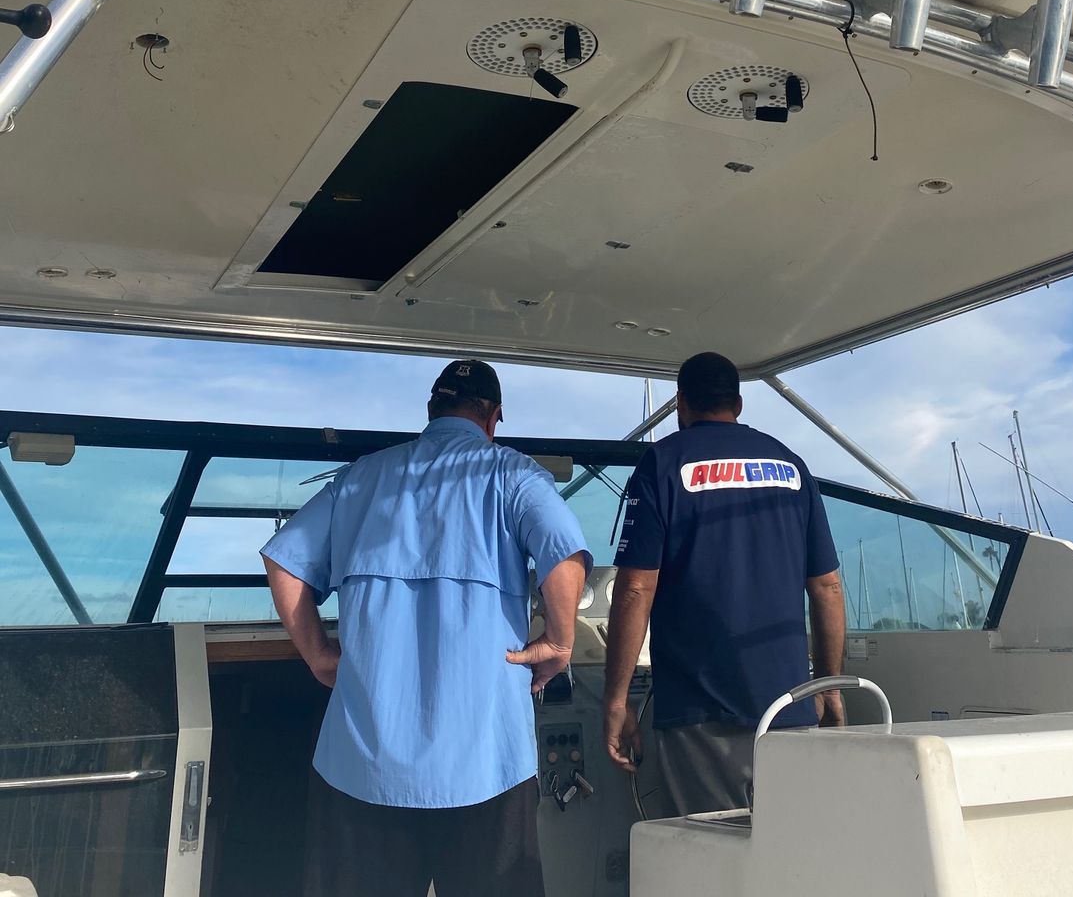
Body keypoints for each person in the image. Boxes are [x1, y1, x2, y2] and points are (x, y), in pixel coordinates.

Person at [262, 358, 591, 897]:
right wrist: (559, 641)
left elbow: (285, 562)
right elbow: (563, 555)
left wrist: (319, 654)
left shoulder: (363, 475)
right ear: (493, 417)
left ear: (431, 410)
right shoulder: (511, 473)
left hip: (362, 766)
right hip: (485, 765)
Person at [603, 351, 845, 816]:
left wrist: (616, 700)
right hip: (790, 707)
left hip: (701, 715)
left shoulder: (662, 464)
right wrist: (828, 688)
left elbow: (635, 588)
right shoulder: (792, 466)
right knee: (789, 855)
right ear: (738, 403)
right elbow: (827, 588)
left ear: (680, 404)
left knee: (711, 859)